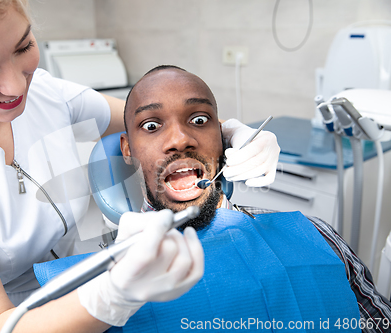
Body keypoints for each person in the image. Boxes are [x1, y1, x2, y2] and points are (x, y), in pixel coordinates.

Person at [0, 1, 282, 332]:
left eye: (24, 46)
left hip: (74, 291)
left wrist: (231, 132)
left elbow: (156, 126)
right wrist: (114, 294)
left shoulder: (48, 95)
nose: (15, 86)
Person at [35, 65, 391, 332]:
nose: (179, 139)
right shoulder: (88, 293)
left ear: (223, 138)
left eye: (199, 119)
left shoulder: (317, 235)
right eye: (151, 126)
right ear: (127, 149)